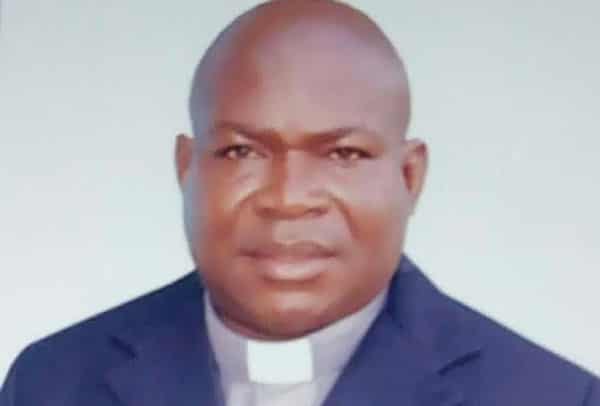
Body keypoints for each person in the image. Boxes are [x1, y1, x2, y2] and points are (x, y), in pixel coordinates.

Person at [1, 0, 598, 405]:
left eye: (343, 154)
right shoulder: (51, 383)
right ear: (187, 169)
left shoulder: (550, 397)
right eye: (241, 151)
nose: (288, 199)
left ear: (409, 176)